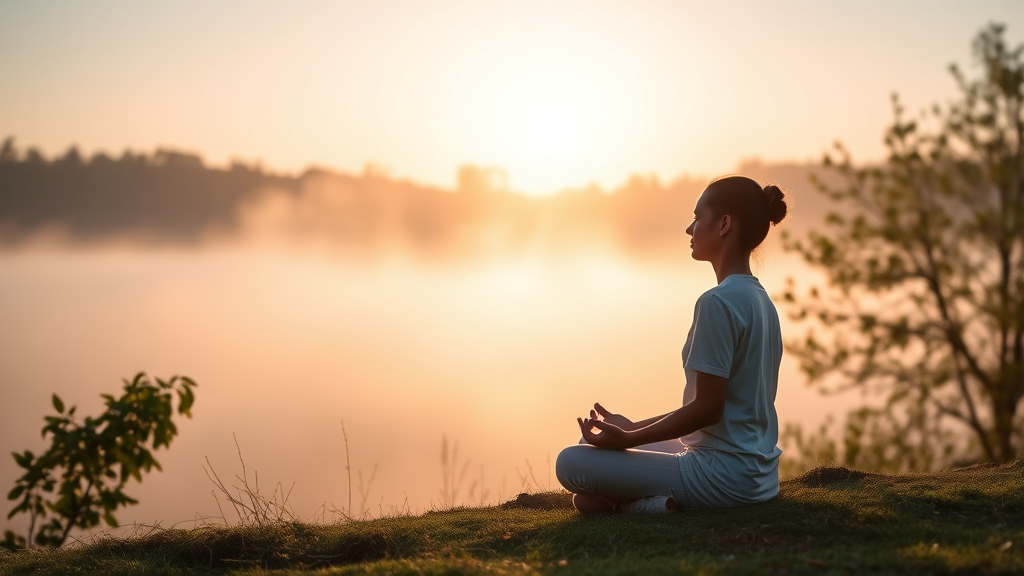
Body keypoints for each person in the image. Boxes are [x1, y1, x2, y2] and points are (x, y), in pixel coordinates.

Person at [554, 175, 788, 513]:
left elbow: (708, 408)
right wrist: (633, 426)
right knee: (592, 447)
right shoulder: (761, 300)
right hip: (758, 477)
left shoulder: (718, 303)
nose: (690, 229)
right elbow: (709, 408)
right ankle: (654, 504)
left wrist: (631, 439)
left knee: (571, 462)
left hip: (720, 477)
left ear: (723, 224)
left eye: (697, 218)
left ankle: (636, 508)